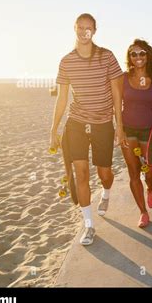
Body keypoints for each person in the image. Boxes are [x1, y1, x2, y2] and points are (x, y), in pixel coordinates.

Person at [50, 13, 124, 246]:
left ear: (95, 30)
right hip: (77, 123)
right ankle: (89, 225)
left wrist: (119, 125)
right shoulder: (66, 61)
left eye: (88, 28)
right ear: (74, 29)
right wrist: (54, 129)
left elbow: (117, 94)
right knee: (81, 173)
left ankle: (106, 193)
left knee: (104, 173)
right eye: (80, 27)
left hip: (103, 123)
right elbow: (62, 98)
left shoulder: (107, 57)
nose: (84, 32)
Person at [118, 39, 152, 228]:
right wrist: (119, 130)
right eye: (134, 54)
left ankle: (150, 187)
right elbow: (116, 105)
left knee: (150, 170)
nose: (138, 57)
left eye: (142, 53)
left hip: (149, 130)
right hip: (128, 130)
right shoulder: (123, 78)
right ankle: (143, 212)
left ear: (148, 55)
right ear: (129, 57)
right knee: (134, 171)